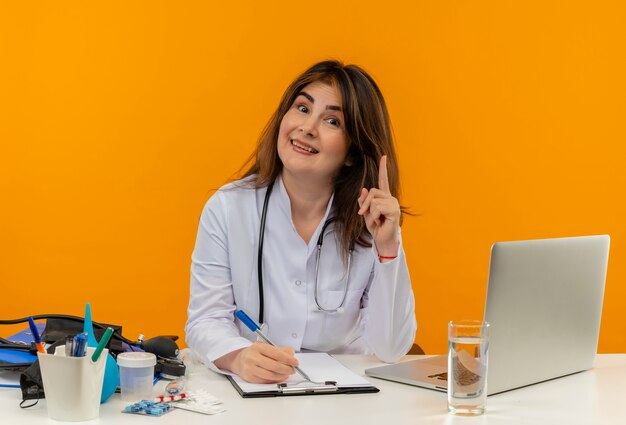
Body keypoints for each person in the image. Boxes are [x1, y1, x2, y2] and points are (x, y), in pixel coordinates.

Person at [185, 60, 416, 384]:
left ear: (352, 151)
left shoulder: (371, 222)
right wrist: (239, 357)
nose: (308, 127)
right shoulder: (228, 208)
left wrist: (387, 247)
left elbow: (391, 349)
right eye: (302, 108)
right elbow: (205, 320)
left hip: (346, 397)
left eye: (332, 120)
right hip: (255, 394)